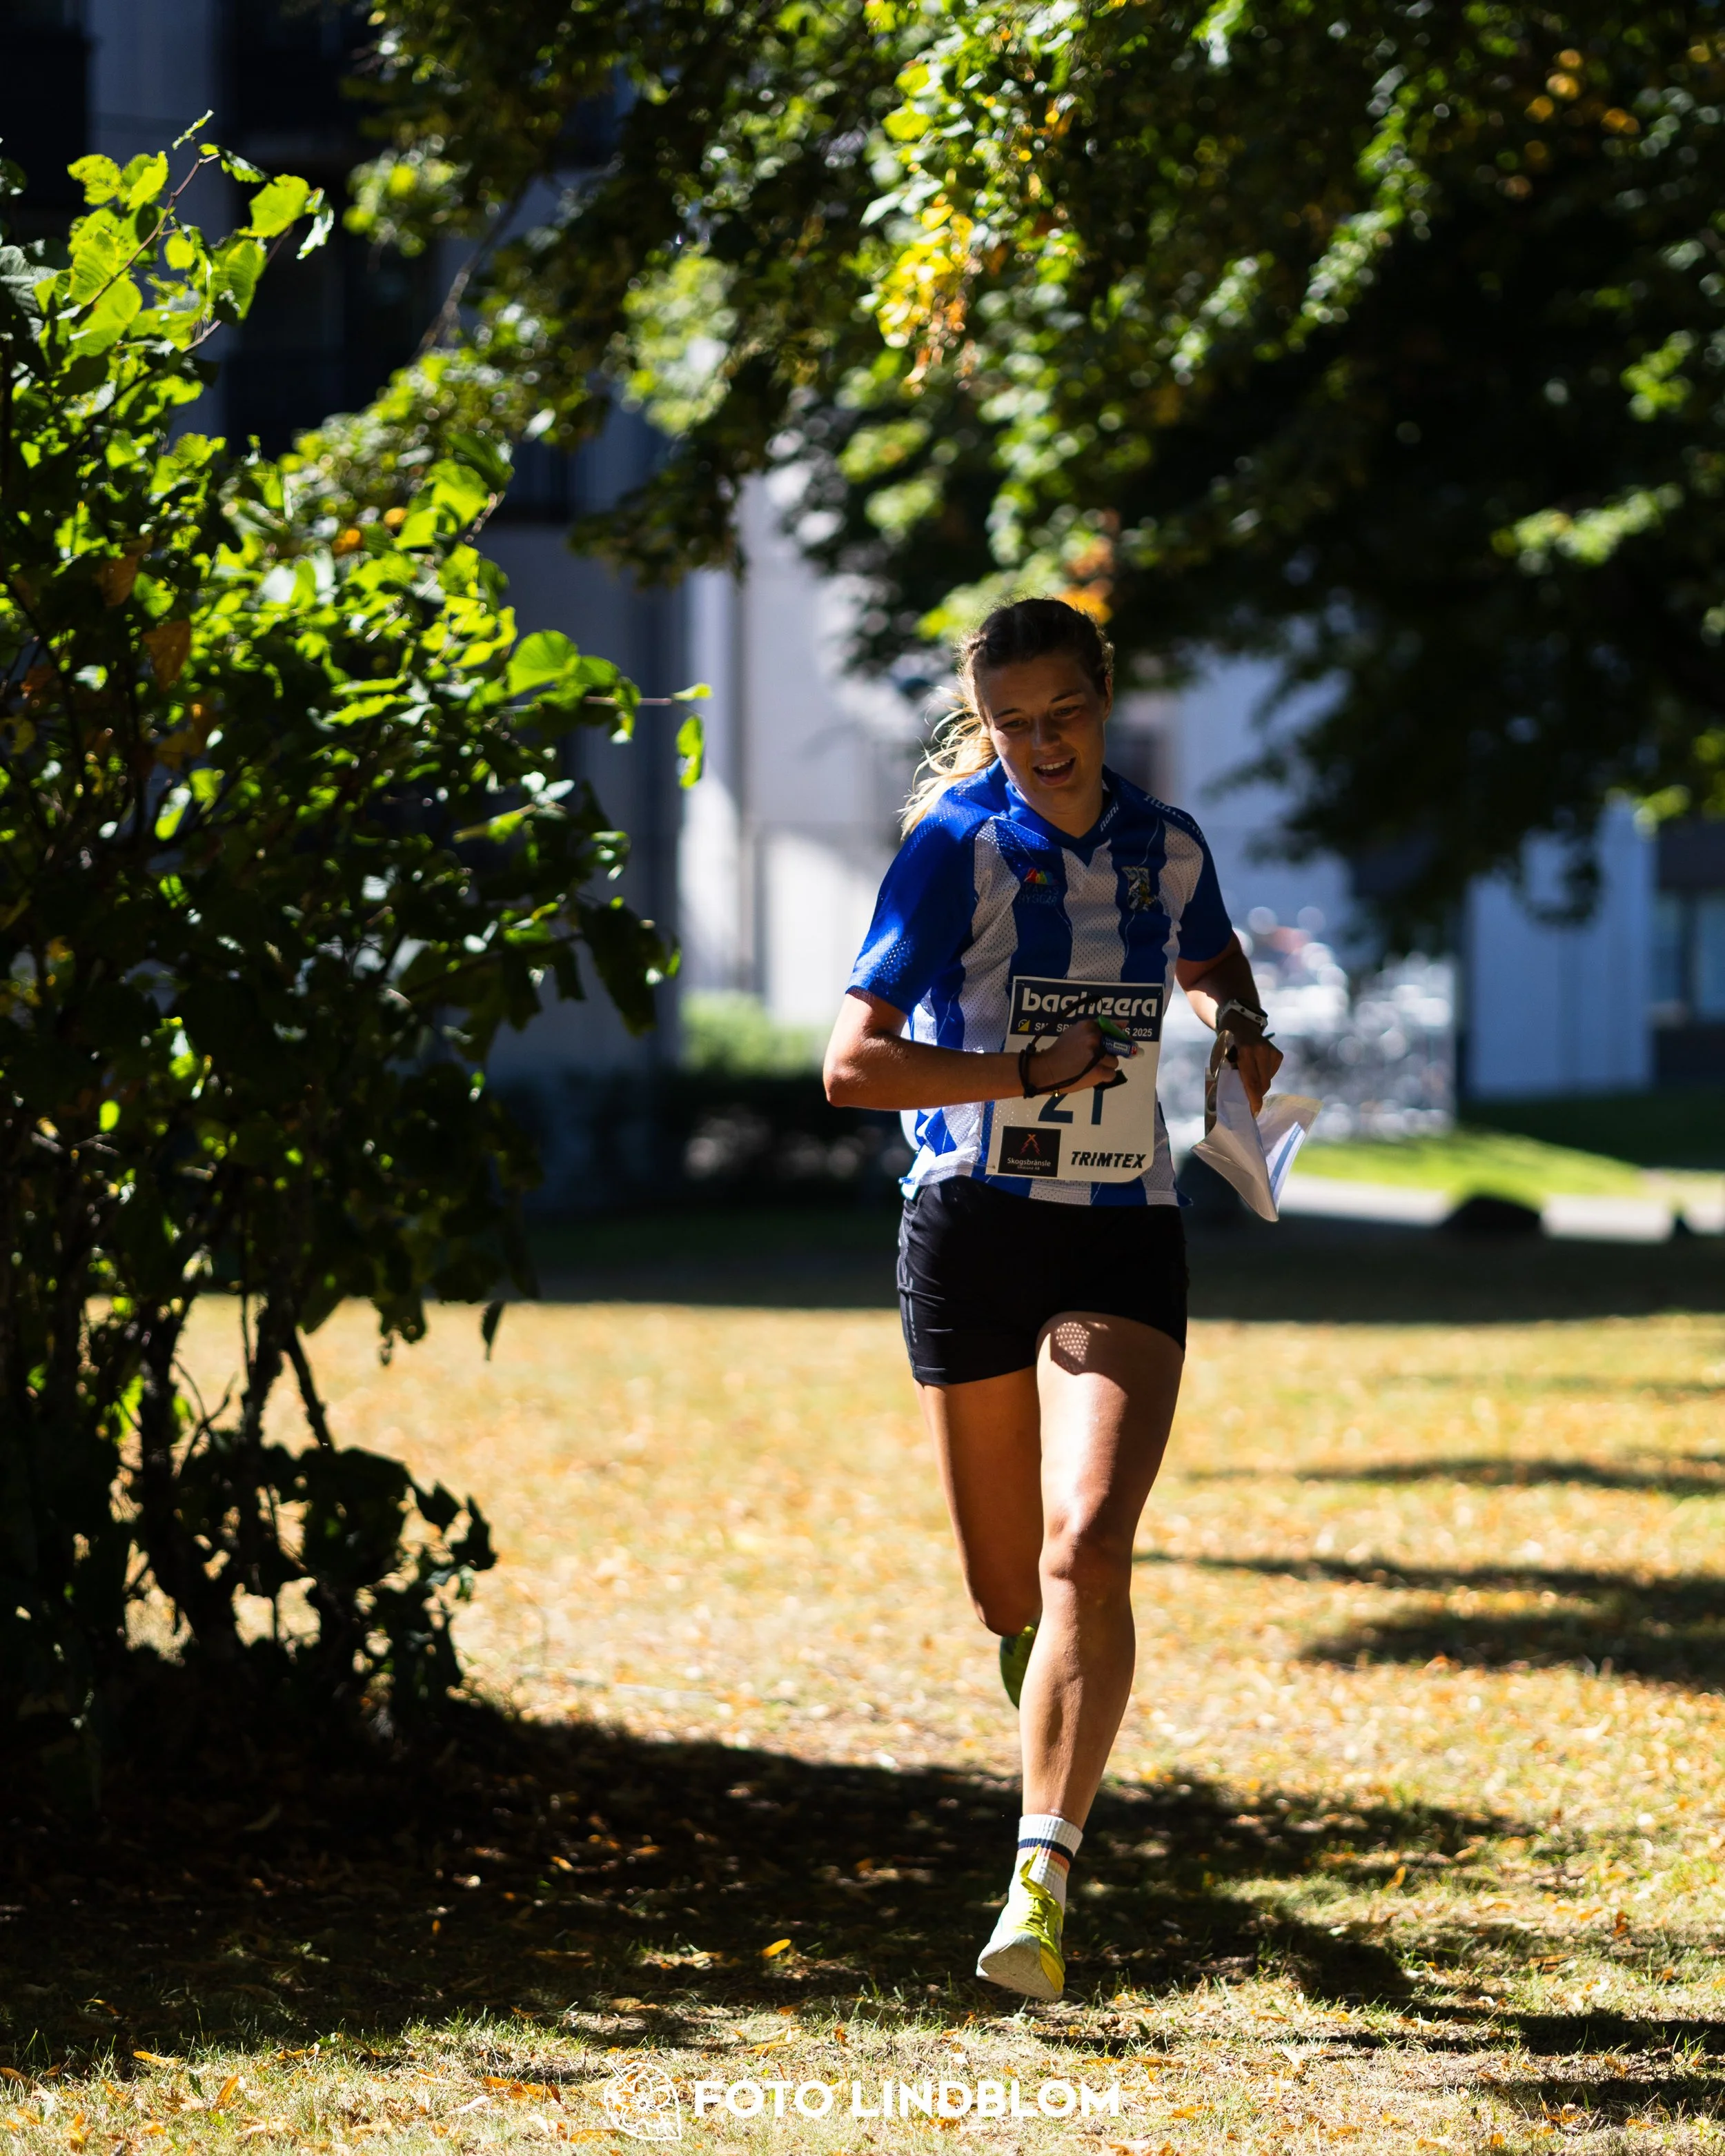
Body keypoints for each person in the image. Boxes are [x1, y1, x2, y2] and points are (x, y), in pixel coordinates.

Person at [823, 597, 1282, 2002]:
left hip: (1120, 1230)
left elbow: (1214, 970)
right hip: (968, 1223)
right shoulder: (951, 849)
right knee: (1003, 1580)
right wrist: (1026, 1073)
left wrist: (1239, 1042)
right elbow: (853, 1068)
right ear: (983, 726)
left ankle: (1041, 1871)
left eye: (1062, 716)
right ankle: (1042, 1690)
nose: (1040, 746)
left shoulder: (1170, 844)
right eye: (1010, 724)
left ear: (1101, 697)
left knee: (1087, 1543)